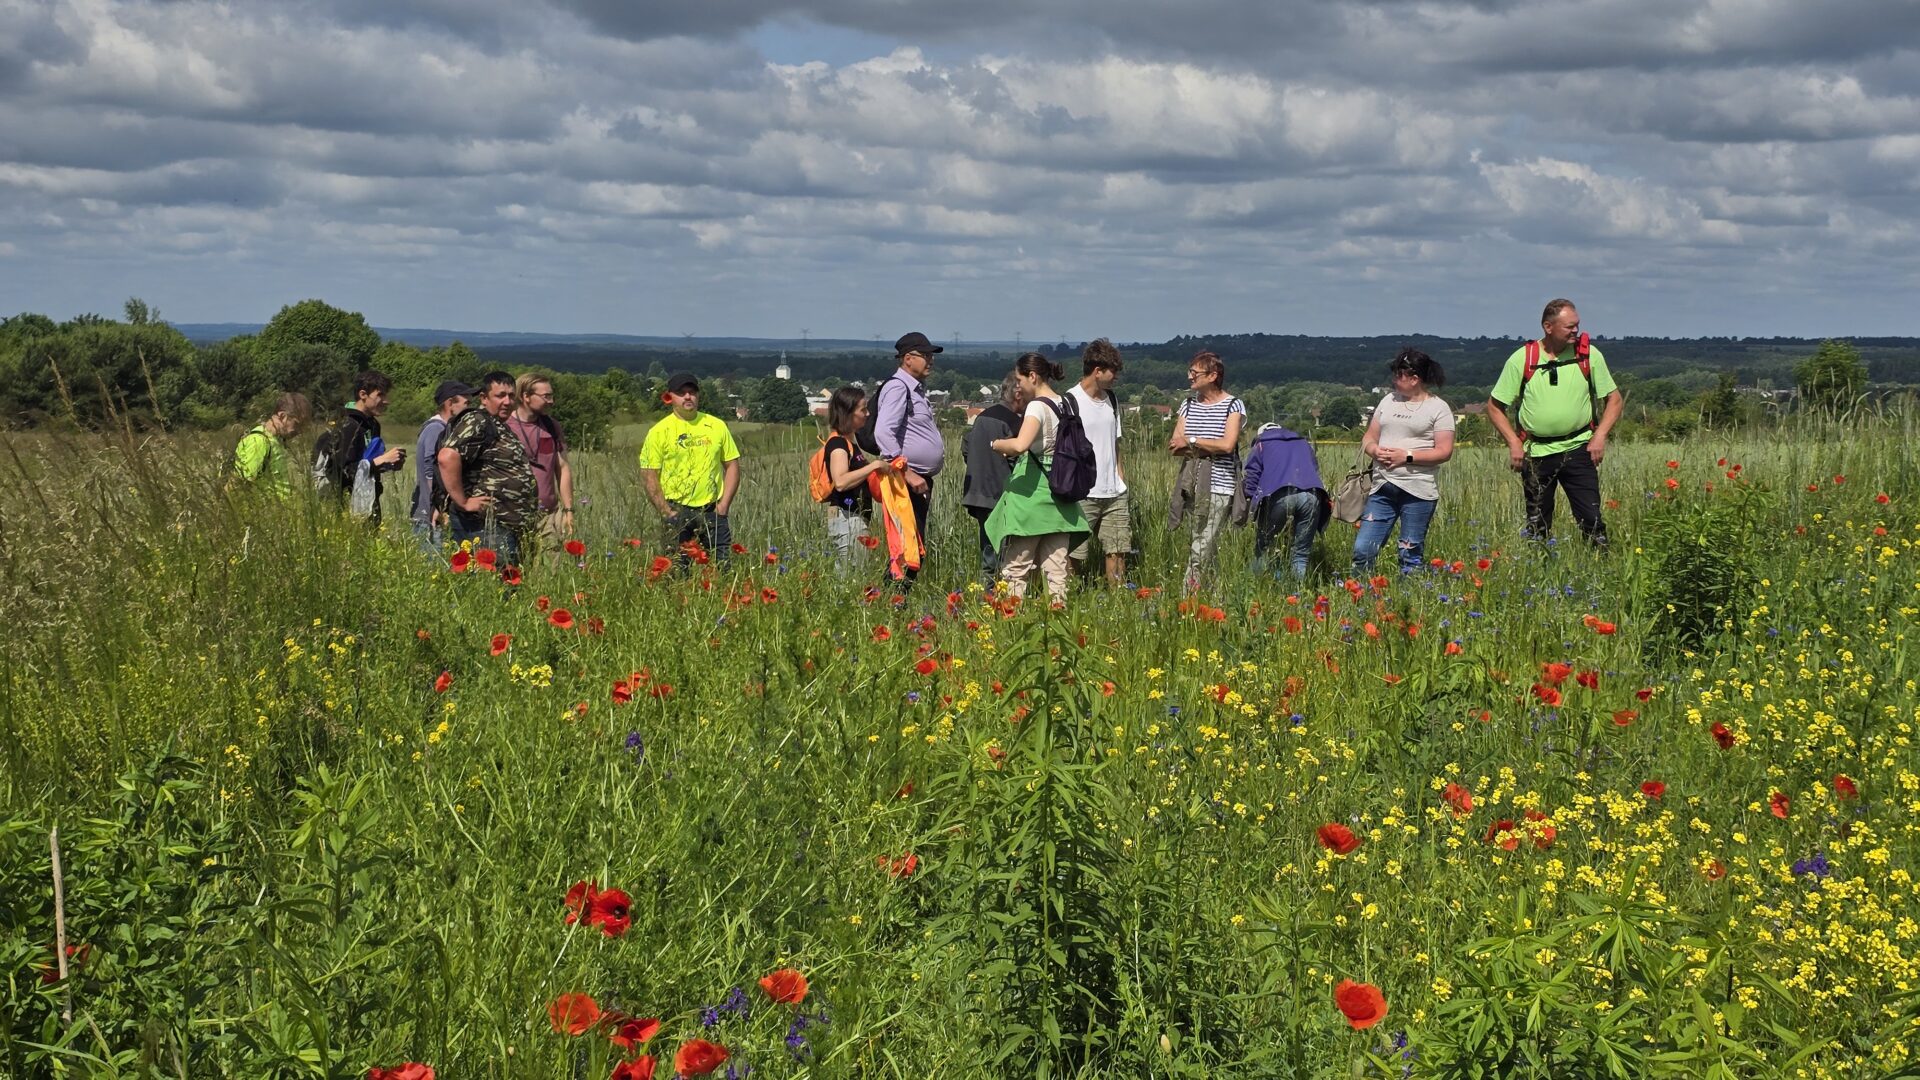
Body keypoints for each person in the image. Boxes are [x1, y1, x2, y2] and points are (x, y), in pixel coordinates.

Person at [1486, 298, 1625, 546]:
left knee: (1591, 519)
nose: (1575, 331)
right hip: (1536, 451)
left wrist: (1600, 436)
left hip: (1580, 448)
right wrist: (1514, 444)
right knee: (1538, 521)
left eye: (1577, 325)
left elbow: (1614, 399)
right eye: (1569, 327)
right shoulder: (1523, 359)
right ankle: (1539, 573)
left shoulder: (1588, 355)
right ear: (1548, 327)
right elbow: (1495, 406)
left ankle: (1600, 569)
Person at [985, 354, 1089, 606]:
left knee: (1016, 569)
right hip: (1062, 495)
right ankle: (1059, 623)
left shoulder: (1036, 406)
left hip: (1032, 497)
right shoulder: (1067, 402)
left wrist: (996, 443)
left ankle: (1010, 622)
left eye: (1020, 379)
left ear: (1033, 376)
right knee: (1057, 572)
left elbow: (1021, 445)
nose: (1018, 386)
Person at [1353, 348, 1455, 573]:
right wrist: (1374, 450)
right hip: (1382, 488)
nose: (1394, 380)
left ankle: (1406, 601)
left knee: (1409, 554)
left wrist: (1406, 457)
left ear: (1414, 378)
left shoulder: (1438, 408)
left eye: (1399, 375)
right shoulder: (1388, 401)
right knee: (1363, 550)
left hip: (1418, 492)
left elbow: (1444, 451)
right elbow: (1369, 436)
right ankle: (1359, 594)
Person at [438, 371, 539, 565]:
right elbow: (447, 456)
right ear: (484, 398)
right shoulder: (479, 420)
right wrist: (463, 501)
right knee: (493, 588)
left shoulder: (498, 425)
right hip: (485, 526)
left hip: (505, 527)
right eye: (500, 395)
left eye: (511, 396)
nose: (508, 401)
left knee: (505, 588)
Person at [639, 372, 741, 563]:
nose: (688, 397)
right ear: (670, 397)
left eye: (692, 392)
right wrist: (666, 512)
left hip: (712, 510)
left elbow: (732, 465)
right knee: (678, 572)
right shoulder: (659, 432)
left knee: (722, 568)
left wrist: (724, 505)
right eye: (681, 392)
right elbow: (649, 474)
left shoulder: (716, 426)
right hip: (677, 510)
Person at [1168, 351, 1247, 591]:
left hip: (1220, 483)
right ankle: (1215, 596)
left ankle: (1186, 599)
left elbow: (1227, 444)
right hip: (1191, 483)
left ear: (1213, 375)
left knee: (1201, 545)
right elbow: (1174, 446)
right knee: (1204, 543)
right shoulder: (1188, 404)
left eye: (1195, 373)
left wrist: (1192, 441)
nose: (1189, 377)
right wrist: (1204, 445)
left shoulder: (1233, 405)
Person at [872, 332, 946, 589]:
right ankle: (891, 601)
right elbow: (883, 432)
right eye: (925, 355)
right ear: (907, 358)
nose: (930, 361)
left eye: (930, 355)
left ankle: (893, 600)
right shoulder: (898, 387)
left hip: (916, 480)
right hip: (906, 481)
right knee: (908, 549)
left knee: (914, 546)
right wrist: (907, 472)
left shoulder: (914, 388)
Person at [1066, 339, 1130, 586]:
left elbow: (1115, 442)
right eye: (1113, 371)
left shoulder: (1112, 401)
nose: (1116, 377)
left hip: (1114, 491)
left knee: (1117, 549)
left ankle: (1118, 603)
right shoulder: (1070, 401)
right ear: (1097, 370)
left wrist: (1120, 476)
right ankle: (1067, 599)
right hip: (1082, 491)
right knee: (1074, 553)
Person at [313, 370, 405, 524]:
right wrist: (379, 461)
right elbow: (342, 472)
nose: (386, 401)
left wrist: (387, 464)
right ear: (363, 395)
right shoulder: (347, 425)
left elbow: (366, 462)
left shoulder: (372, 424)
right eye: (380, 395)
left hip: (368, 502)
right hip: (347, 509)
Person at [1243, 422, 1330, 579]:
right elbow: (1314, 468)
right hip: (1312, 494)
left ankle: (1254, 585)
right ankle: (1296, 595)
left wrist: (1250, 499)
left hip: (1278, 494)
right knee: (1301, 554)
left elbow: (1252, 475)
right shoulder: (1303, 443)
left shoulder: (1262, 444)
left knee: (1264, 548)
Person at [960, 374, 1024, 584]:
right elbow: (1019, 463)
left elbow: (966, 448)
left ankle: (986, 601)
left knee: (988, 554)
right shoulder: (1015, 423)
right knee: (1007, 557)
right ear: (1017, 393)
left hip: (978, 494)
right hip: (1003, 497)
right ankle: (1000, 602)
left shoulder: (982, 416)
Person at [820, 385, 890, 568]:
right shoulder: (838, 445)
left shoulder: (849, 444)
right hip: (847, 519)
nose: (867, 414)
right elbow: (841, 482)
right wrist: (873, 466)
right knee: (849, 577)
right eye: (863, 409)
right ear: (848, 413)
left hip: (853, 519)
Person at [507, 372, 576, 558]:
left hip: (549, 516)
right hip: (513, 517)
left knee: (550, 572)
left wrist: (568, 511)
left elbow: (562, 468)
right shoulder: (504, 426)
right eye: (546, 396)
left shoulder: (552, 427)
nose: (551, 401)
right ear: (526, 396)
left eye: (551, 395)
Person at [411, 380, 472, 550]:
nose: (469, 409)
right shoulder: (436, 429)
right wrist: (433, 505)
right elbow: (430, 468)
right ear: (450, 403)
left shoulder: (442, 428)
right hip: (429, 514)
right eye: (466, 403)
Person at [232, 393, 311, 499]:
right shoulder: (258, 441)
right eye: (297, 424)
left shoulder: (276, 440)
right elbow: (238, 483)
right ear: (282, 416)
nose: (299, 431)